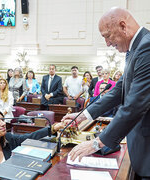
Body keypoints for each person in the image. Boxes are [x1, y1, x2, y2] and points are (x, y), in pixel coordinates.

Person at [62, 7, 150, 179]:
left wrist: (97, 143)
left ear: (123, 26)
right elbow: (119, 90)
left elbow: (134, 106)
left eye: (107, 36)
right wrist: (84, 115)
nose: (107, 43)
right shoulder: (136, 48)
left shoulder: (146, 48)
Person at [0, 108, 65, 180]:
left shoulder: (8, 139)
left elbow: (29, 137)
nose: (3, 124)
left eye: (3, 120)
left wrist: (53, 128)